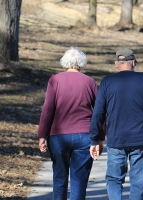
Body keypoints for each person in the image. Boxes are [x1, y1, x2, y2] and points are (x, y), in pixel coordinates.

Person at [89, 49, 143, 200]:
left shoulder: (107, 82)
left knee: (114, 179)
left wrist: (94, 139)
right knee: (138, 182)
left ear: (116, 64)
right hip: (140, 139)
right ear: (133, 63)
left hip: (116, 140)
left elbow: (98, 113)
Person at [38, 46, 105, 200]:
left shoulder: (55, 80)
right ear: (81, 63)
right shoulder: (90, 82)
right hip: (85, 136)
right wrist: (100, 138)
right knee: (79, 180)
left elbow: (48, 109)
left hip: (58, 136)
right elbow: (100, 111)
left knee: (60, 177)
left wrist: (43, 135)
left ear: (65, 62)